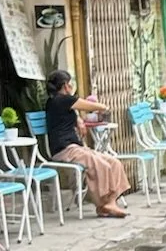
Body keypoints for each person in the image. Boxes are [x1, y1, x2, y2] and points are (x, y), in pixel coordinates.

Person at [43, 70, 130, 219]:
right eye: (70, 83)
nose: (71, 86)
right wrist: (104, 107)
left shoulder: (56, 102)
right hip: (65, 150)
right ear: (65, 85)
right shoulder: (62, 100)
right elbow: (91, 106)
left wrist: (78, 120)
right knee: (100, 164)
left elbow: (70, 113)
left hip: (76, 148)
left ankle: (110, 202)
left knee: (113, 162)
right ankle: (104, 203)